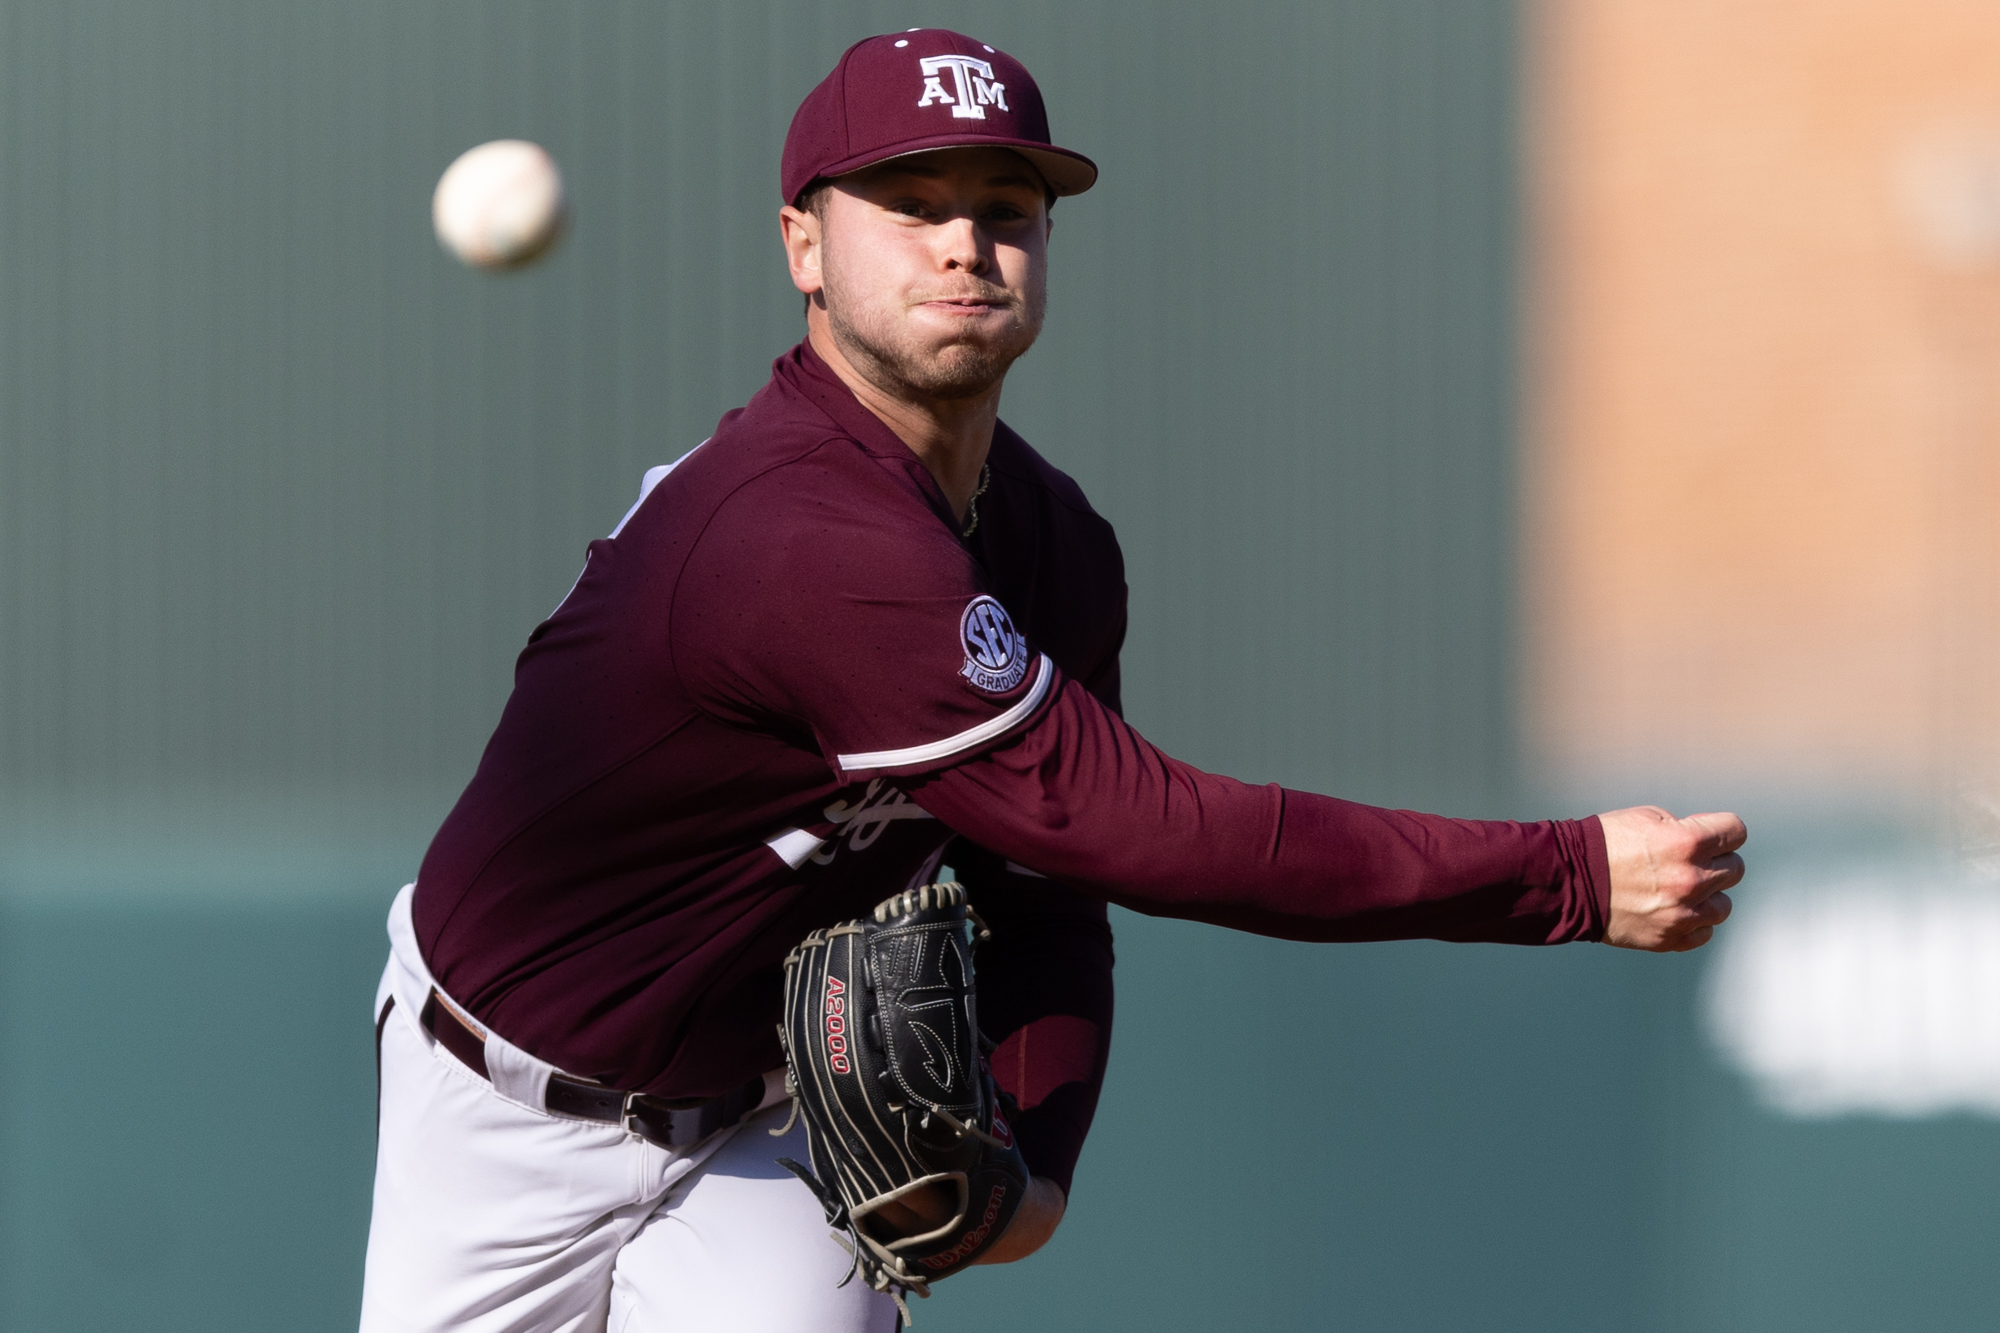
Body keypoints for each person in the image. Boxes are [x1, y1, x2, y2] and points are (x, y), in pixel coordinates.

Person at [359, 27, 1746, 1333]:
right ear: (805, 245)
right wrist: (1557, 875)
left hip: (757, 1116)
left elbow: (1044, 888)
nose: (964, 242)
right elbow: (1136, 828)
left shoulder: (1051, 546)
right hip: (499, 1105)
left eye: (1006, 207)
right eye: (911, 202)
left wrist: (1036, 1159)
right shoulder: (796, 535)